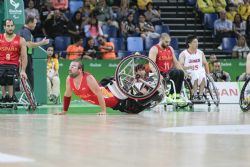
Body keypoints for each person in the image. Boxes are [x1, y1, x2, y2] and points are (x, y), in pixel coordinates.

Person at [54, 61, 159, 115]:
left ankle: (155, 90)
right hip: (113, 102)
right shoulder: (69, 79)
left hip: (115, 99)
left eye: (73, 66)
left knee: (137, 107)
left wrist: (103, 111)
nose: (70, 68)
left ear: (80, 70)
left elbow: (99, 93)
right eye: (70, 66)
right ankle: (150, 91)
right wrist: (64, 111)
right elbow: (67, 94)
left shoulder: (88, 78)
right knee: (133, 108)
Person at [148, 33, 186, 104]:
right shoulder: (154, 49)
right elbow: (151, 64)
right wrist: (158, 74)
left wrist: (184, 72)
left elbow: (176, 62)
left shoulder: (170, 48)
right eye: (166, 42)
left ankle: (176, 95)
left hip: (169, 72)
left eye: (169, 42)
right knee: (175, 72)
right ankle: (171, 94)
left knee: (180, 72)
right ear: (161, 40)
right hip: (160, 73)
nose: (168, 44)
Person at [18, 16, 49, 90]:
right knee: (29, 79)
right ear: (30, 23)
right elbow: (29, 44)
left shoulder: (22, 30)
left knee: (25, 79)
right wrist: (42, 43)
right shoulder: (26, 31)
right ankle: (30, 100)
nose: (35, 25)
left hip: (23, 56)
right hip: (25, 57)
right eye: (34, 23)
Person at [0, 19, 28, 102]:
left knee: (9, 77)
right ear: (4, 27)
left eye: (12, 26)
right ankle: (4, 97)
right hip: (1, 64)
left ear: (14, 26)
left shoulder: (21, 40)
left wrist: (23, 70)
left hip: (13, 65)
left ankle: (11, 97)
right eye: (8, 26)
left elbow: (24, 56)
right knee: (1, 77)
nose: (10, 28)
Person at [179, 35, 209, 101]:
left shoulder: (200, 53)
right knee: (195, 74)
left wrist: (208, 74)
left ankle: (200, 95)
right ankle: (195, 95)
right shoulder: (183, 54)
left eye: (197, 42)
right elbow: (180, 66)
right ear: (189, 44)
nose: (197, 44)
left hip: (199, 71)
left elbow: (205, 63)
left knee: (203, 75)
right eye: (195, 42)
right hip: (189, 72)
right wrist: (185, 72)